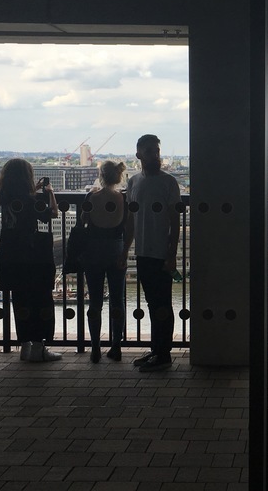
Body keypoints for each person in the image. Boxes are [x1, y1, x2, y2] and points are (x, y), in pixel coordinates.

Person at [125, 134, 182, 372]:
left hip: (159, 253)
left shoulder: (168, 182)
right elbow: (130, 220)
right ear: (138, 154)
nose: (154, 155)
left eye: (156, 151)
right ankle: (158, 349)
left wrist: (171, 254)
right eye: (149, 151)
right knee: (152, 302)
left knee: (162, 304)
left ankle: (163, 353)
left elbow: (175, 221)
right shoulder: (133, 182)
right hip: (143, 252)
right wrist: (125, 250)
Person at [0, 159, 61, 362]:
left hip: (10, 252)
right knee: (40, 299)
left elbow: (19, 206)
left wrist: (34, 189)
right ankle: (39, 347)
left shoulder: (3, 196)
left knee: (20, 299)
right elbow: (52, 214)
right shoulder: (32, 200)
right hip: (32, 254)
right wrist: (49, 192)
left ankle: (24, 345)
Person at [82, 160, 132, 363]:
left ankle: (95, 347)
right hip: (116, 249)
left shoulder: (91, 197)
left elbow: (84, 221)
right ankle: (116, 346)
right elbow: (129, 229)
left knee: (95, 301)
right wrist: (125, 252)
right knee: (117, 299)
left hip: (93, 251)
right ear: (119, 177)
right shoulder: (124, 199)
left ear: (101, 176)